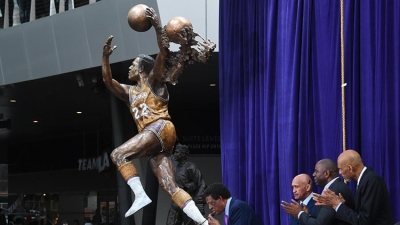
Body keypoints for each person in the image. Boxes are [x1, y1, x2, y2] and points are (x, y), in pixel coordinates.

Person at [102, 6, 213, 225]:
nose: (130, 68)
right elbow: (107, 81)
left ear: (143, 68)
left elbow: (163, 52)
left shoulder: (155, 81)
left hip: (159, 127)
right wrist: (104, 58)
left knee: (118, 154)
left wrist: (156, 27)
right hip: (158, 140)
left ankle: (140, 195)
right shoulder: (129, 93)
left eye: (134, 64)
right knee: (171, 187)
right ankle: (203, 222)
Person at [313, 150, 394, 225]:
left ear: (350, 168)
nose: (340, 173)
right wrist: (342, 205)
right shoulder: (365, 180)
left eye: (340, 169)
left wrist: (337, 205)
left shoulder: (371, 181)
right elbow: (361, 216)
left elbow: (363, 221)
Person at [281, 159, 355, 225]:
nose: (313, 174)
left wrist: (300, 213)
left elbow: (320, 223)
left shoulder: (333, 191)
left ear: (326, 173)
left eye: (316, 171)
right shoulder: (334, 188)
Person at [167, 143, 207, 225]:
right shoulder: (174, 166)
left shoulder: (191, 167)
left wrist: (199, 203)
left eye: (177, 152)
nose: (175, 154)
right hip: (176, 202)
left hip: (188, 203)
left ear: (183, 154)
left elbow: (201, 184)